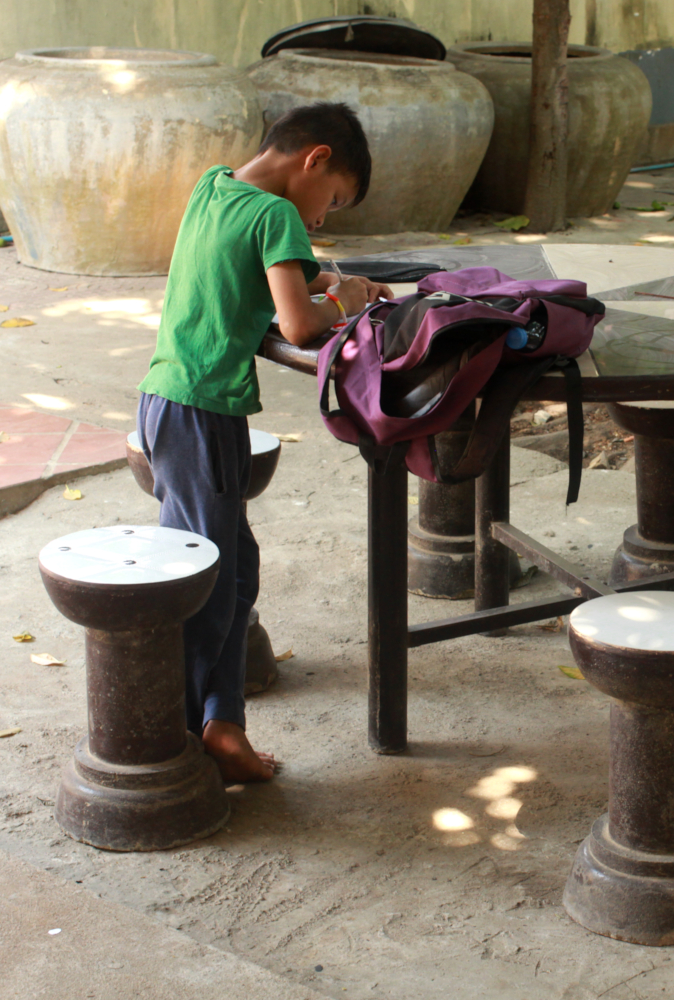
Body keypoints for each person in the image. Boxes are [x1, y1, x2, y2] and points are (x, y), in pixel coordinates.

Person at [135, 102, 392, 782]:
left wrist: (327, 276)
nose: (319, 221)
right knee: (208, 578)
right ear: (316, 159)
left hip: (166, 402)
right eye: (332, 201)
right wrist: (351, 299)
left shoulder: (215, 185)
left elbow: (260, 266)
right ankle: (183, 737)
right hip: (202, 412)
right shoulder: (278, 216)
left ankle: (221, 722)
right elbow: (301, 326)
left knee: (232, 564)